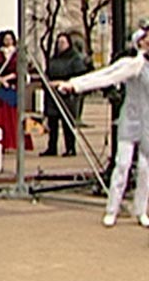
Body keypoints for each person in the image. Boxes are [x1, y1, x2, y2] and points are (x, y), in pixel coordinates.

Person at [58, 29, 149, 227]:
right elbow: (106, 76)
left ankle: (141, 210)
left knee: (145, 169)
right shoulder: (132, 64)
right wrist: (75, 85)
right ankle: (112, 209)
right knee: (122, 164)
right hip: (130, 120)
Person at [42, 33, 88, 157]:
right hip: (53, 94)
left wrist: (62, 83)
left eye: (63, 42)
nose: (60, 45)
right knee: (52, 123)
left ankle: (70, 148)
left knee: (67, 123)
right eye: (58, 42)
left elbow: (78, 76)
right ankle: (52, 147)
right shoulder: (54, 58)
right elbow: (47, 73)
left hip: (67, 95)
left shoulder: (74, 59)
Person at [0, 30, 20, 152]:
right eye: (6, 39)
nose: (8, 41)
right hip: (0, 87)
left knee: (12, 115)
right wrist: (0, 79)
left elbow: (19, 69)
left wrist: (9, 78)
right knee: (1, 115)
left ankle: (12, 142)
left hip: (12, 86)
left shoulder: (17, 53)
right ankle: (4, 142)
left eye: (10, 39)